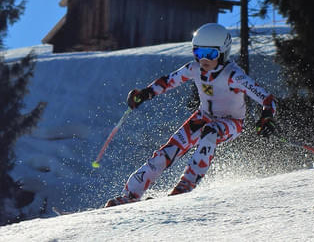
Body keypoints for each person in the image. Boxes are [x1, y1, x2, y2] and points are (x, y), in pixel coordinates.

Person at [105, 23, 277, 207]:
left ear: (223, 53)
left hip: (232, 122)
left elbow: (267, 99)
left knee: (210, 131)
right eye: (198, 52)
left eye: (210, 54)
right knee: (168, 151)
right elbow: (169, 81)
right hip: (203, 116)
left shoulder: (233, 75)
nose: (203, 59)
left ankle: (185, 187)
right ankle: (130, 194)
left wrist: (266, 118)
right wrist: (145, 94)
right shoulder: (194, 69)